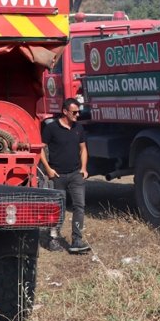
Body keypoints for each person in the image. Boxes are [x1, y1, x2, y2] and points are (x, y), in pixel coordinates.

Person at [40, 97, 91, 254]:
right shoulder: (51, 129)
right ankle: (53, 239)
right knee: (57, 208)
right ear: (64, 112)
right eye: (74, 112)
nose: (77, 115)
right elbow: (41, 149)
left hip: (76, 174)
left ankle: (76, 240)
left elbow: (83, 148)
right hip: (57, 175)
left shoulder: (78, 128)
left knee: (79, 206)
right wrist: (48, 169)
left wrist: (83, 168)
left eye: (78, 112)